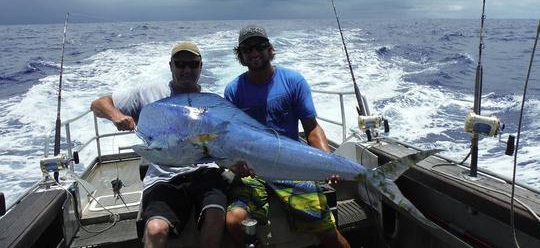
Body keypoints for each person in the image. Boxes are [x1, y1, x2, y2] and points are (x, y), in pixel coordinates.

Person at [90, 42, 227, 248]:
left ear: (201, 66)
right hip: (164, 176)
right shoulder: (150, 91)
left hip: (203, 171)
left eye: (193, 64)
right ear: (170, 66)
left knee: (215, 216)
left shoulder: (211, 103)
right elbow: (98, 104)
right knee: (155, 229)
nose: (187, 70)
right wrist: (117, 116)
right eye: (180, 64)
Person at [224, 25, 351, 248]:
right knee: (234, 221)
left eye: (260, 46)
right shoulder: (233, 91)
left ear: (270, 49)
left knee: (328, 234)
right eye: (247, 49)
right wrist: (237, 165)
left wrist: (328, 161)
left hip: (291, 168)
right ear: (240, 55)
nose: (254, 53)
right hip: (254, 171)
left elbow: (311, 128)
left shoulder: (293, 81)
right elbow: (233, 140)